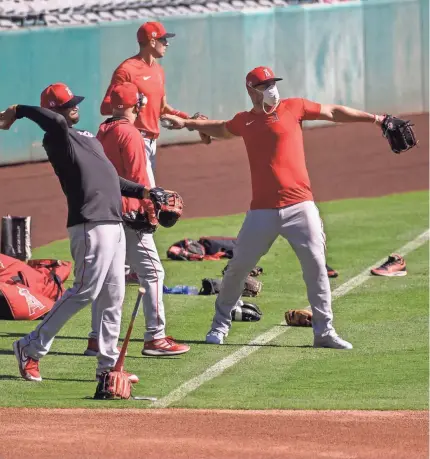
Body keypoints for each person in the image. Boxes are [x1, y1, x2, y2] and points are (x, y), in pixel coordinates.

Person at [162, 66, 386, 350]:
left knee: (316, 267)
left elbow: (333, 112)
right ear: (251, 90)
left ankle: (324, 331)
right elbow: (220, 128)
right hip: (262, 212)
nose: (271, 88)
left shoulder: (294, 107)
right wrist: (187, 124)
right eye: (264, 84)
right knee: (237, 269)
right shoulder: (245, 121)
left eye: (272, 83)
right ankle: (219, 325)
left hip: (300, 206)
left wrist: (377, 119)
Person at [1, 83, 148, 382]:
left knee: (113, 295)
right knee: (85, 290)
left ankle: (107, 366)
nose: (75, 106)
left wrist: (146, 191)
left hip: (113, 221)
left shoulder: (87, 138)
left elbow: (111, 178)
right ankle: (30, 347)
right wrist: (18, 111)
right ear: (54, 111)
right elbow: (54, 121)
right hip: (89, 223)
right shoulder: (56, 137)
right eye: (68, 104)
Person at [85, 81, 190, 356]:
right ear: (137, 105)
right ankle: (155, 338)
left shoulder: (103, 130)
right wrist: (150, 210)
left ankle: (96, 339)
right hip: (131, 215)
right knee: (153, 273)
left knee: (110, 276)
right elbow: (138, 177)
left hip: (106, 212)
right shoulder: (130, 133)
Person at [100, 21, 202, 187]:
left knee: (144, 198)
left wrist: (189, 119)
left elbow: (163, 108)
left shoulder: (158, 70)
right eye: (163, 40)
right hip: (134, 140)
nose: (167, 44)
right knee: (150, 196)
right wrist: (132, 102)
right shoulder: (126, 70)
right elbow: (105, 107)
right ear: (152, 41)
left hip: (152, 143)